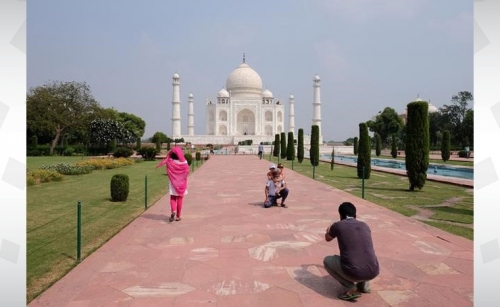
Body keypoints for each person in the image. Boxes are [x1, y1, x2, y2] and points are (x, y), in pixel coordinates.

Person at [323, 202, 379, 301]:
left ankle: (349, 288)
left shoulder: (338, 225)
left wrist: (328, 230)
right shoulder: (364, 225)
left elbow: (327, 238)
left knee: (327, 261)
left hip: (353, 271)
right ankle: (364, 286)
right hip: (374, 270)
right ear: (355, 215)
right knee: (364, 254)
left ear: (340, 215)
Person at [156, 147, 190, 222]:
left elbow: (168, 169)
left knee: (173, 198)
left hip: (173, 183)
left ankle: (173, 211)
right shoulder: (184, 162)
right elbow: (187, 171)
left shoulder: (170, 162)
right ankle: (178, 216)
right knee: (180, 198)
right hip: (181, 183)